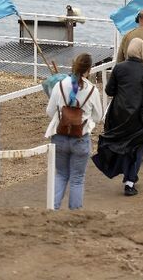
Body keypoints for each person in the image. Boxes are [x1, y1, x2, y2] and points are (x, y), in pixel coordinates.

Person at [93, 39, 143, 196]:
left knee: (123, 145)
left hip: (119, 114)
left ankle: (127, 173)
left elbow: (110, 91)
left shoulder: (119, 68)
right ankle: (130, 182)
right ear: (142, 50)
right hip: (139, 116)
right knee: (137, 147)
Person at [44, 53, 103, 210]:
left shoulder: (60, 85)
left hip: (60, 137)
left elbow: (50, 111)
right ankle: (75, 213)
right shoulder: (92, 90)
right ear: (89, 69)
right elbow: (98, 116)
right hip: (80, 138)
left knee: (61, 174)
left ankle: (52, 209)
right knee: (77, 178)